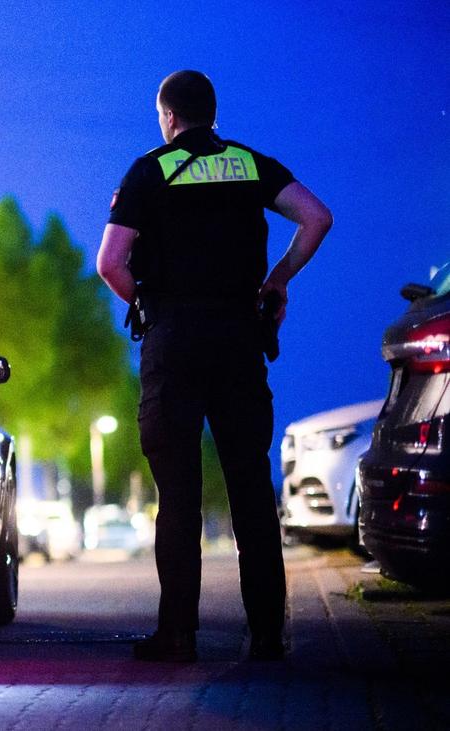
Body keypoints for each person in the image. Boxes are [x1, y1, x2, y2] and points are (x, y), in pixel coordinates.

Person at [96, 71, 332, 662]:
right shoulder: (250, 164)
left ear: (169, 117)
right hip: (237, 338)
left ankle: (178, 635)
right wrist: (277, 280)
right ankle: (268, 635)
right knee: (250, 486)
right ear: (212, 113)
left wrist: (146, 305)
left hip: (173, 340)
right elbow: (316, 217)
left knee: (178, 495)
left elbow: (110, 262)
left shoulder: (149, 171)